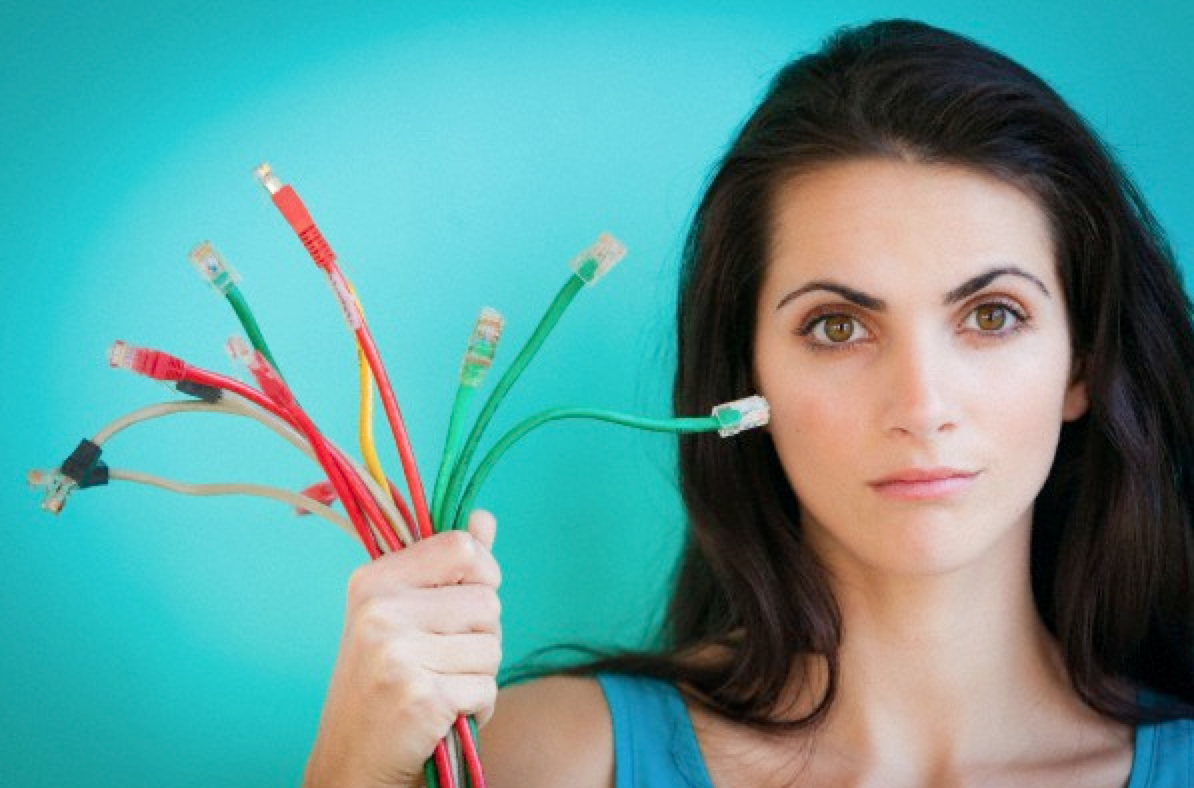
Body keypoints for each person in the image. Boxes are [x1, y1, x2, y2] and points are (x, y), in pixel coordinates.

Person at [302, 19, 1194, 787]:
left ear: (1085, 363)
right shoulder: (538, 760)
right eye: (839, 328)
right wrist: (350, 766)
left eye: (992, 316)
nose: (923, 406)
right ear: (746, 380)